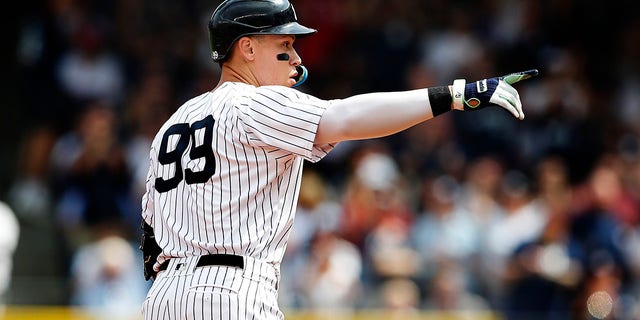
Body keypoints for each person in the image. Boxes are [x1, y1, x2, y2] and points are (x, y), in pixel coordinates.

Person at [139, 0, 538, 319]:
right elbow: (344, 118)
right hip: (230, 294)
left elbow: (150, 233)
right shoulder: (254, 102)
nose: (295, 58)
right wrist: (451, 95)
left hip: (164, 298)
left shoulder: (176, 121)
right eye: (285, 46)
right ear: (247, 47)